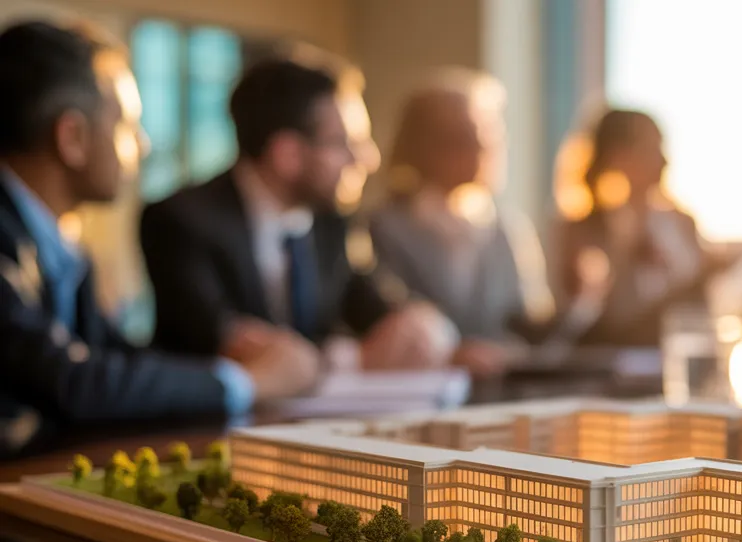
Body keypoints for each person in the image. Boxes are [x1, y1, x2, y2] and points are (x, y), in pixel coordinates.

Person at [0, 20, 316, 458]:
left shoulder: (59, 245)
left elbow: (114, 360)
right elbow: (73, 383)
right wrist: (248, 381)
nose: (143, 144)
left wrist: (227, 360)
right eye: (127, 125)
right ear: (72, 137)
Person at [141, 54, 456, 371]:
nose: (368, 159)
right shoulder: (180, 221)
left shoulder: (331, 220)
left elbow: (377, 306)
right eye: (345, 143)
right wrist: (347, 357)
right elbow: (221, 340)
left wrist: (421, 327)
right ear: (288, 155)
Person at [370, 69, 554, 374]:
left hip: (498, 386)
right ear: (423, 145)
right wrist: (449, 354)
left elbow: (528, 328)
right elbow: (383, 323)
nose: (482, 147)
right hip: (419, 387)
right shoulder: (383, 230)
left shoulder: (507, 230)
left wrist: (581, 301)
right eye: (460, 137)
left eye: (488, 133)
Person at [555, 109, 730, 346]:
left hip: (682, 354)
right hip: (616, 362)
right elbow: (589, 319)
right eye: (651, 149)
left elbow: (700, 313)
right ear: (619, 156)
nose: (664, 161)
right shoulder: (583, 232)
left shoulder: (682, 223)